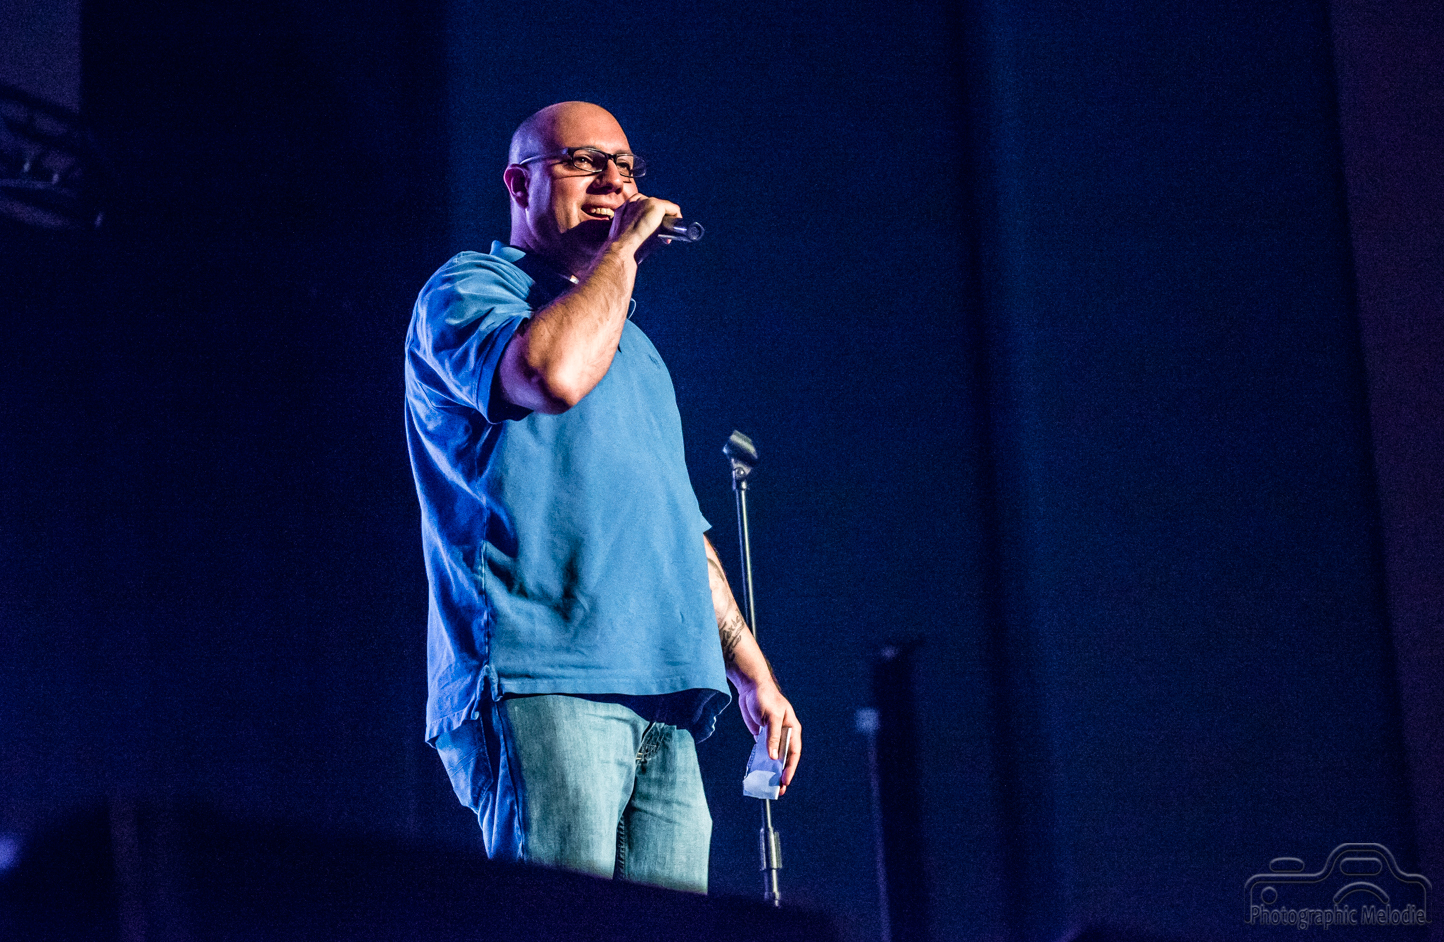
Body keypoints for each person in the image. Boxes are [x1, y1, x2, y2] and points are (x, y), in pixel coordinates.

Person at [404, 101, 800, 894]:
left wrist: (751, 670)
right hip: (542, 676)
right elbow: (547, 375)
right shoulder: (469, 288)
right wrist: (622, 250)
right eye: (584, 162)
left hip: (665, 693)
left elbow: (675, 523)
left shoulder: (636, 349)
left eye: (625, 167)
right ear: (519, 184)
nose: (614, 182)